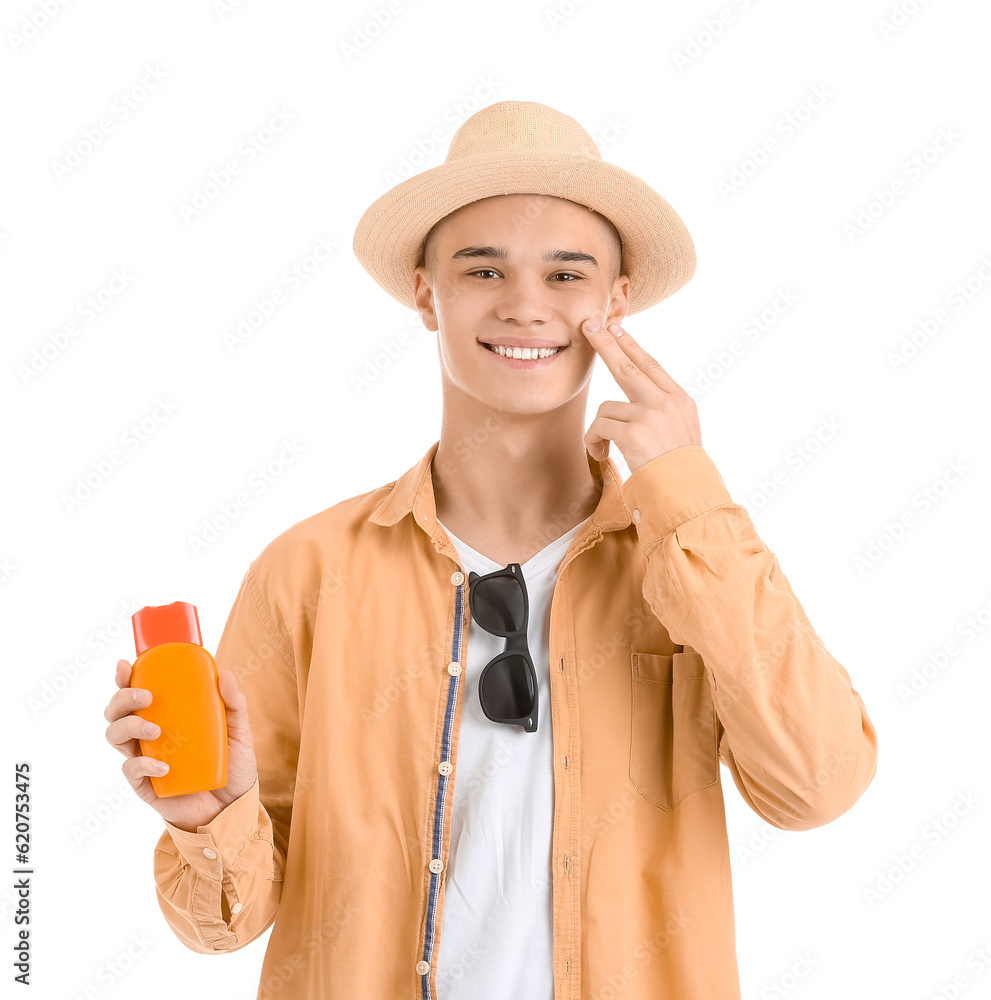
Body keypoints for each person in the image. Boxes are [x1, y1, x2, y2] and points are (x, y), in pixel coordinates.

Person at [103, 101, 878, 1000]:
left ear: (615, 301)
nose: (524, 305)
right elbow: (220, 928)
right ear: (425, 292)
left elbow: (818, 786)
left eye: (566, 272)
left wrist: (688, 495)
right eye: (482, 269)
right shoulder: (308, 570)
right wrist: (209, 814)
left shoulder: (688, 560)